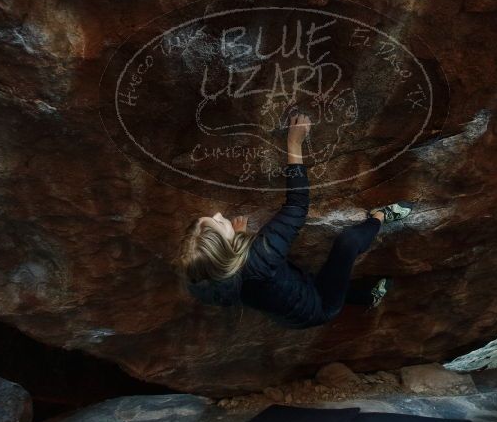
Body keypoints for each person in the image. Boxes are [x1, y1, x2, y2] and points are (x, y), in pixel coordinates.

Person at [175, 113, 413, 329]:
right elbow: (297, 205)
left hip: (288, 314)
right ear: (226, 253)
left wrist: (234, 238)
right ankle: (380, 217)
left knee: (333, 282)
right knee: (347, 243)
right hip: (319, 306)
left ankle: (369, 297)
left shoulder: (203, 283)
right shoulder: (262, 255)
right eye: (219, 224)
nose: (218, 214)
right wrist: (294, 143)